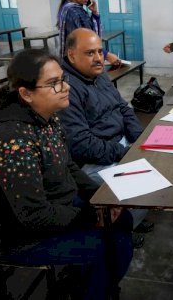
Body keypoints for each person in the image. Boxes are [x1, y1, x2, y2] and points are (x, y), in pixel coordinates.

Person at [0, 49, 133, 300]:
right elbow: (33, 216)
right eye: (54, 84)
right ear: (26, 93)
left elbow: (68, 166)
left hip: (55, 205)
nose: (66, 87)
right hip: (22, 237)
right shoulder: (12, 142)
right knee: (115, 247)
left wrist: (99, 197)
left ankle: (88, 280)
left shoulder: (47, 118)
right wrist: (91, 215)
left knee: (123, 218)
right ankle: (92, 289)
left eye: (63, 79)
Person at [57, 28, 152, 246]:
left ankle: (131, 220)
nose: (99, 58)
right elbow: (82, 145)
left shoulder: (98, 76)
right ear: (72, 55)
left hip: (117, 144)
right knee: (142, 181)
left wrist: (140, 141)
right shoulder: (67, 88)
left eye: (100, 51)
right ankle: (123, 229)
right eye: (90, 53)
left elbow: (123, 108)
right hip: (92, 159)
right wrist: (127, 153)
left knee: (155, 162)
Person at [57, 0, 121, 65]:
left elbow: (89, 32)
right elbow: (81, 42)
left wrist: (94, 12)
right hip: (78, 63)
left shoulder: (78, 9)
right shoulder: (72, 11)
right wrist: (106, 55)